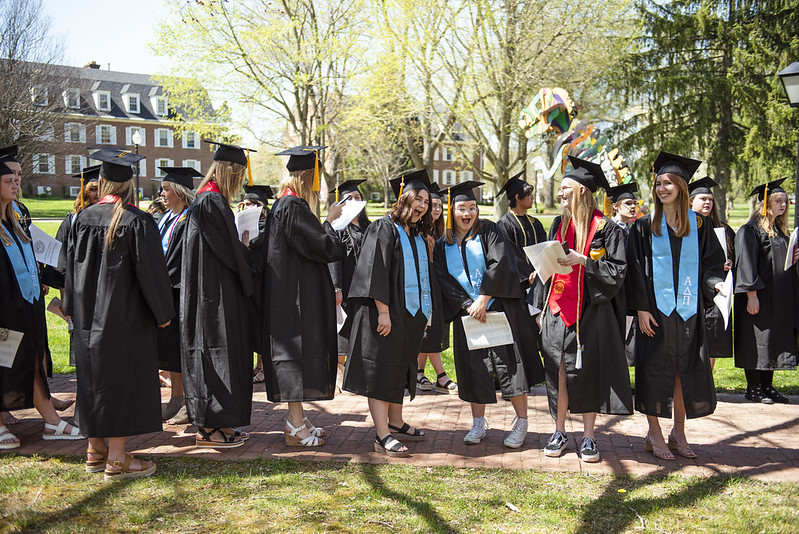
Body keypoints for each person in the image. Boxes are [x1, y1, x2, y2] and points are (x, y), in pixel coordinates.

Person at [63, 147, 173, 479]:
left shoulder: (82, 219)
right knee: (120, 383)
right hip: (124, 320)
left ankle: (94, 451)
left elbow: (70, 270)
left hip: (86, 319)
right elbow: (152, 274)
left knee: (94, 381)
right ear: (129, 185)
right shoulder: (136, 221)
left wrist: (69, 309)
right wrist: (163, 313)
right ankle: (117, 459)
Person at [626, 151, 725, 461]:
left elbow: (710, 264)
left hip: (688, 312)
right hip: (654, 314)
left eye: (668, 182)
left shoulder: (699, 224)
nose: (662, 188)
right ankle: (654, 432)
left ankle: (678, 431)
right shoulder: (644, 226)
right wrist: (641, 308)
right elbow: (635, 269)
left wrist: (716, 283)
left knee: (684, 371)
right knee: (653, 371)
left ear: (681, 186)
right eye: (658, 183)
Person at [536, 157, 632, 463]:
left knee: (587, 373)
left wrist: (585, 262)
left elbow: (617, 272)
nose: (560, 193)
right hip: (556, 309)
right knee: (558, 372)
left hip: (590, 313)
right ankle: (559, 430)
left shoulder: (606, 228)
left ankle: (589, 436)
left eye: (565, 188)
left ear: (582, 190)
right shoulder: (558, 223)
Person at [435, 180, 544, 448]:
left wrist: (483, 298)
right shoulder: (441, 245)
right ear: (452, 211)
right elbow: (443, 278)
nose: (467, 214)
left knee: (510, 365)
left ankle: (521, 422)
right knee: (474, 369)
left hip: (496, 309)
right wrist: (466, 304)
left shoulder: (489, 231)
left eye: (472, 207)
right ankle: (478, 422)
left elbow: (500, 262)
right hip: (467, 315)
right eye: (461, 208)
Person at [342, 170, 433, 457]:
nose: (422, 206)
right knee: (381, 371)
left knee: (399, 366)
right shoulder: (383, 228)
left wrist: (426, 311)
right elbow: (373, 270)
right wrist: (383, 311)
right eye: (417, 198)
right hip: (383, 315)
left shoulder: (417, 234)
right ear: (404, 198)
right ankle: (382, 434)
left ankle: (396, 422)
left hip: (408, 316)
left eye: (427, 202)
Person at [260, 145, 344, 447]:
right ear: (308, 175)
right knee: (295, 356)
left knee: (300, 355)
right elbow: (322, 245)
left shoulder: (283, 203)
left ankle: (300, 419)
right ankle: (295, 426)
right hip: (293, 298)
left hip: (290, 294)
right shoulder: (293, 206)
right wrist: (332, 221)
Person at [0, 155, 83, 450]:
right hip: (4, 307)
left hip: (26, 303)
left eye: (17, 178)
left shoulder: (15, 218)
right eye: (9, 179)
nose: (16, 183)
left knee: (33, 358)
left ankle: (51, 421)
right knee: (2, 361)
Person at [180, 141, 255, 448]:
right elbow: (226, 249)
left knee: (219, 354)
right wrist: (245, 250)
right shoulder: (211, 201)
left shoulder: (209, 199)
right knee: (213, 354)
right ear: (231, 172)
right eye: (239, 175)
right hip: (210, 297)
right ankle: (209, 428)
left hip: (212, 291)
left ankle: (220, 423)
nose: (240, 183)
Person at [734, 178, 798, 404]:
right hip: (758, 295)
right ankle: (753, 388)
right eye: (777, 200)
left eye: (785, 201)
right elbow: (746, 264)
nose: (782, 205)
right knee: (757, 340)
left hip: (776, 297)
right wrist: (751, 295)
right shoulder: (750, 230)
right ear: (765, 204)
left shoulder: (780, 232)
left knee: (771, 339)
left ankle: (767, 387)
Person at [154, 167, 201, 423]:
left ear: (180, 193)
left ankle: (187, 401)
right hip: (165, 290)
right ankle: (176, 397)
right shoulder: (167, 218)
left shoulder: (189, 218)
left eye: (166, 189)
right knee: (171, 349)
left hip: (180, 289)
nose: (162, 194)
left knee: (182, 348)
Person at [327, 179, 371, 391]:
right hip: (345, 285)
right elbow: (332, 258)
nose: (354, 201)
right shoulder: (336, 227)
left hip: (365, 287)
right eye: (349, 198)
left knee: (361, 326)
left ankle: (356, 370)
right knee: (343, 328)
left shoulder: (369, 227)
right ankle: (338, 369)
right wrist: (336, 287)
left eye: (357, 197)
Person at [689, 177, 735, 369]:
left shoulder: (722, 228)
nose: (708, 202)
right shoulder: (686, 227)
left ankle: (707, 384)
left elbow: (734, 255)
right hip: (691, 287)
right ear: (691, 201)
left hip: (715, 293)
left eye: (710, 199)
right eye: (703, 199)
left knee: (711, 340)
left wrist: (729, 262)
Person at [417, 183, 456, 394]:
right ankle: (441, 375)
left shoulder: (441, 231)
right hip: (425, 283)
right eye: (433, 205)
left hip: (439, 284)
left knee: (434, 328)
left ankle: (419, 372)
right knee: (429, 329)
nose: (437, 209)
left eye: (440, 206)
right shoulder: (419, 230)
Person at [241, 184, 273, 385]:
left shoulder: (269, 226)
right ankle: (255, 365)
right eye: (245, 204)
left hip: (263, 282)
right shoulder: (239, 225)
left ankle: (262, 366)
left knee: (261, 324)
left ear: (263, 207)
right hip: (247, 280)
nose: (247, 207)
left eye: (252, 203)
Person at [607, 181, 640, 368]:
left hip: (631, 293)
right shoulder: (608, 229)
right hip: (614, 293)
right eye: (628, 203)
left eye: (634, 203)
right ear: (615, 206)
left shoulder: (635, 230)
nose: (633, 206)